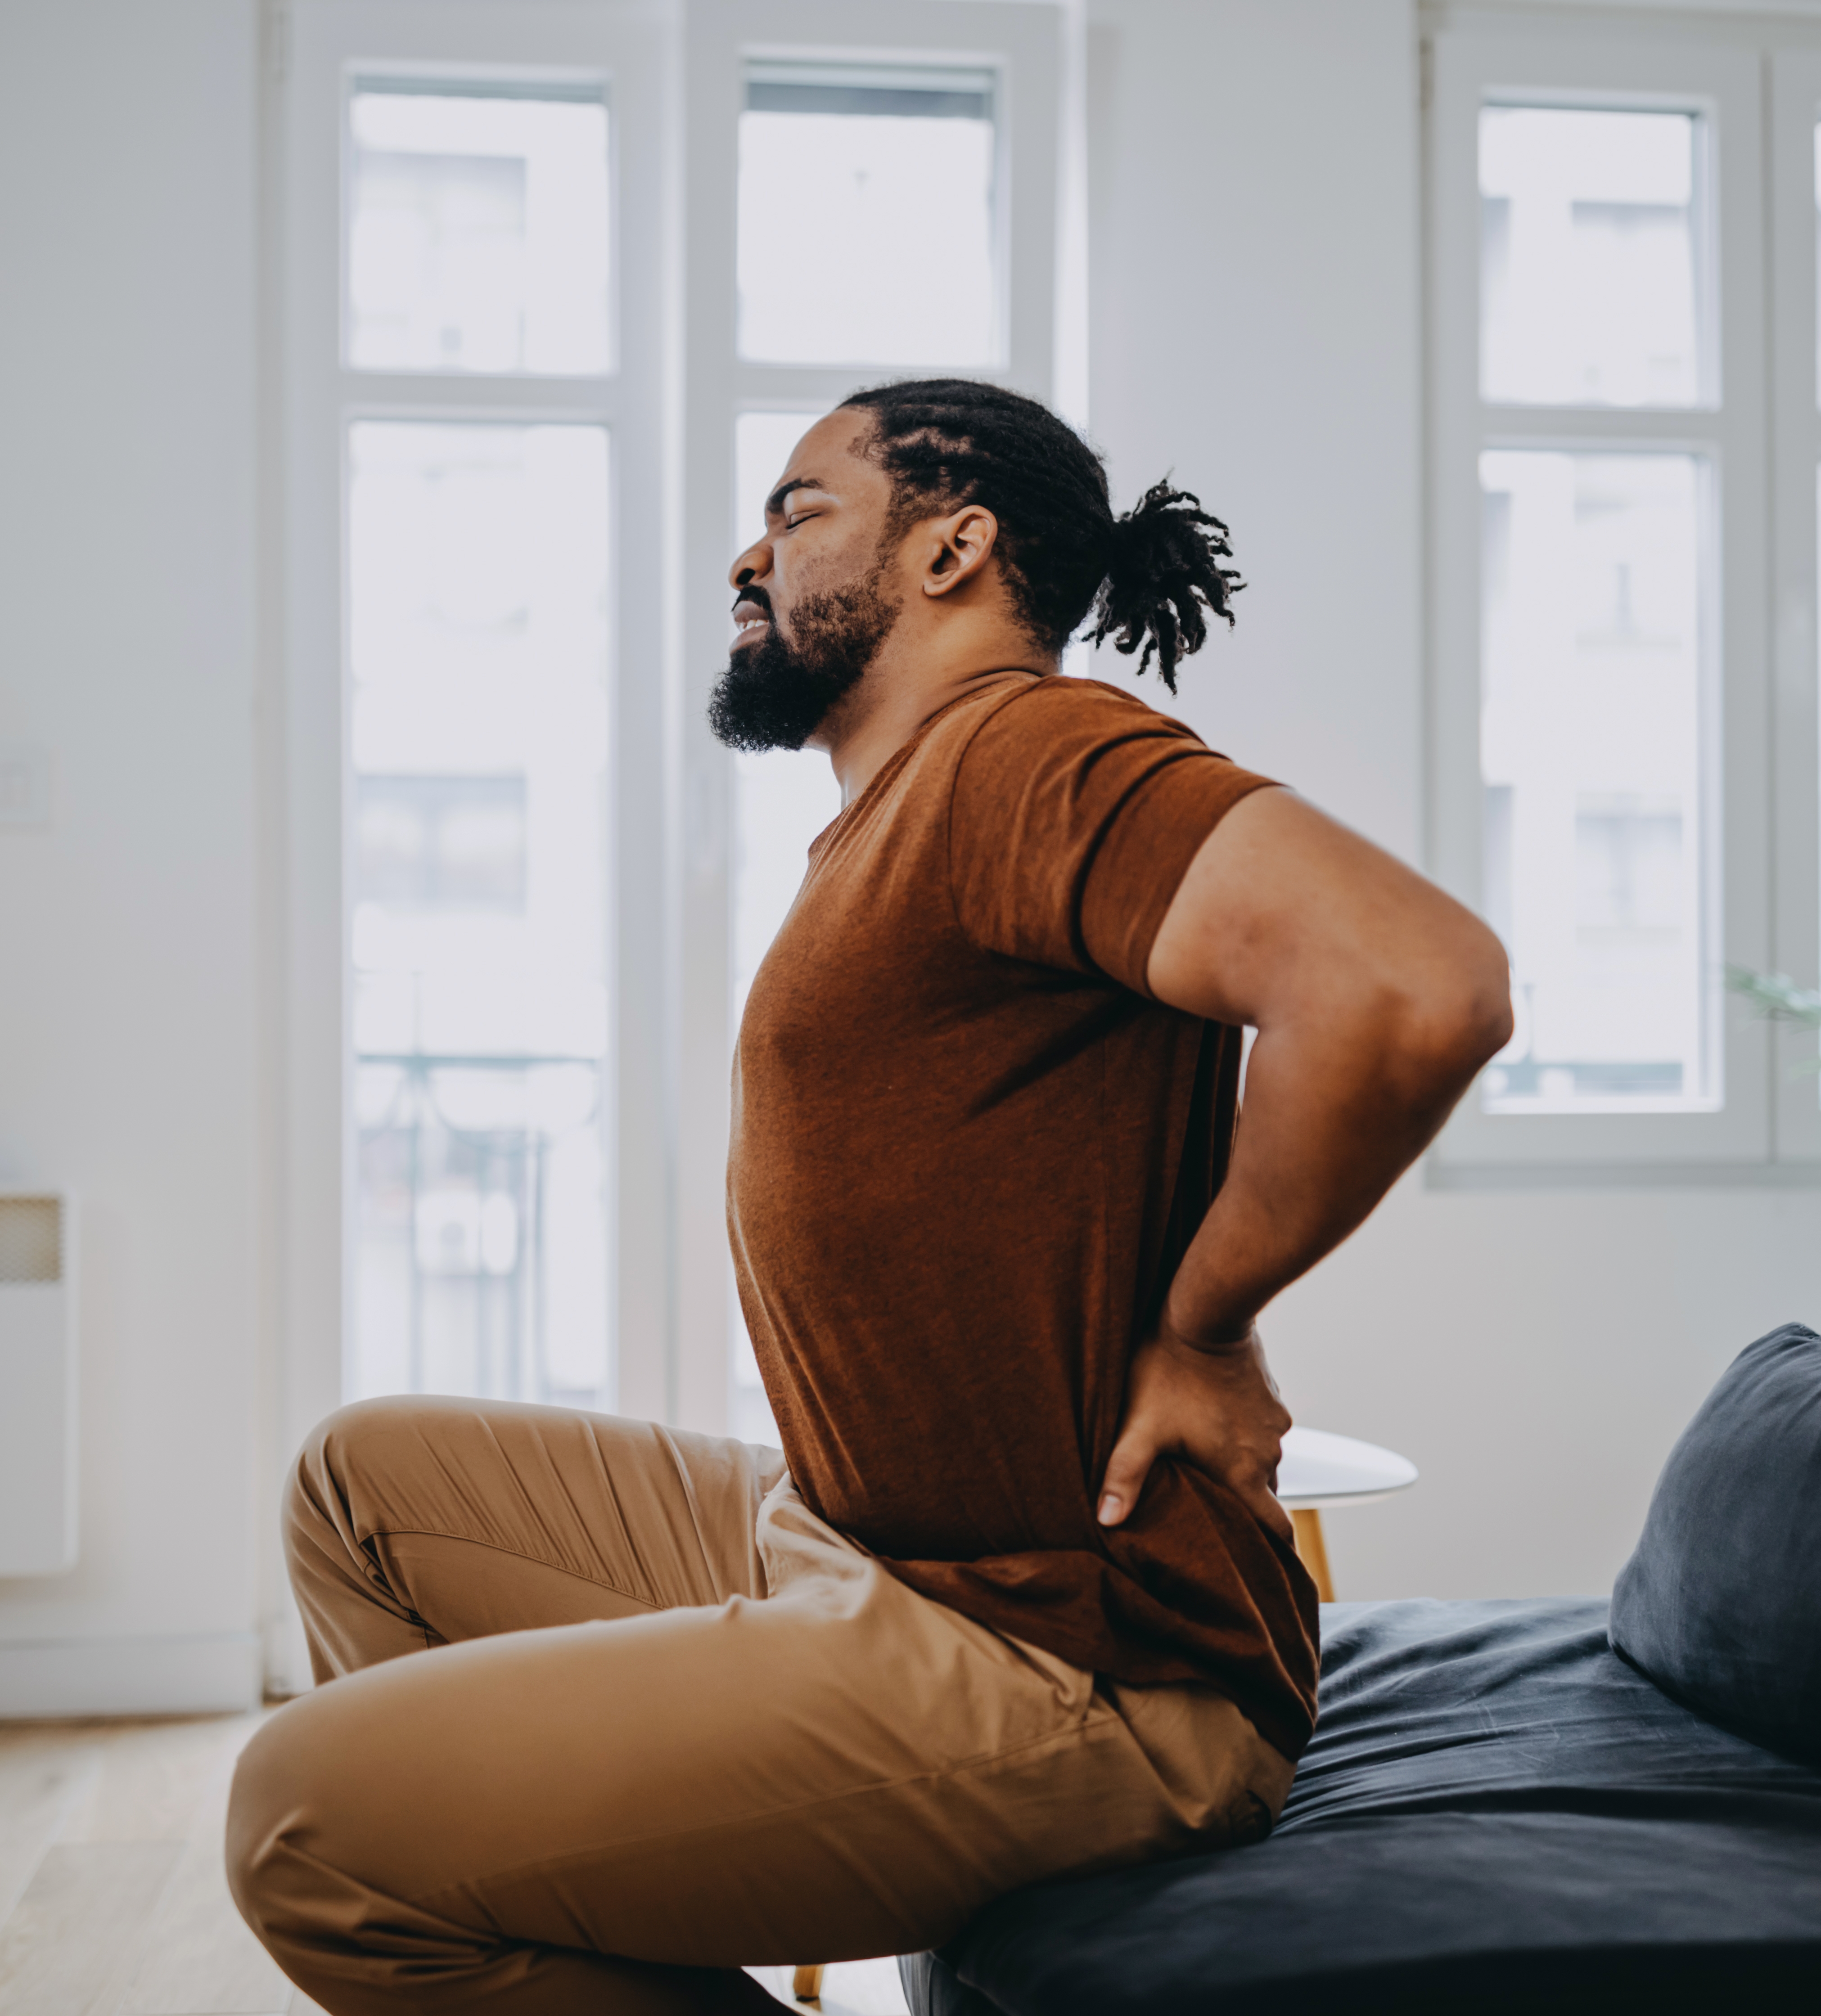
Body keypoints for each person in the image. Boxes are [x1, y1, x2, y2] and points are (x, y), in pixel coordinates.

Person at [227, 380, 1512, 2014]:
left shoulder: (1025, 750)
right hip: (856, 1542)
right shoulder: (901, 807)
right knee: (360, 1488)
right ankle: (546, 1879)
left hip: (1069, 1653)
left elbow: (1413, 983)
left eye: (799, 510)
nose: (749, 556)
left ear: (951, 551)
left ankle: (485, 1874)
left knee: (306, 1827)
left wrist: (1207, 1330)